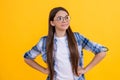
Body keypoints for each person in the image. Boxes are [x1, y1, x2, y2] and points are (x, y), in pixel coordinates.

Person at [23, 7, 108, 80]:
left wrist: (85, 69)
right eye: (59, 18)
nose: (64, 20)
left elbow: (102, 51)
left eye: (66, 17)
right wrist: (44, 70)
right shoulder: (44, 42)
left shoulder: (77, 38)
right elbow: (27, 57)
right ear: (52, 22)